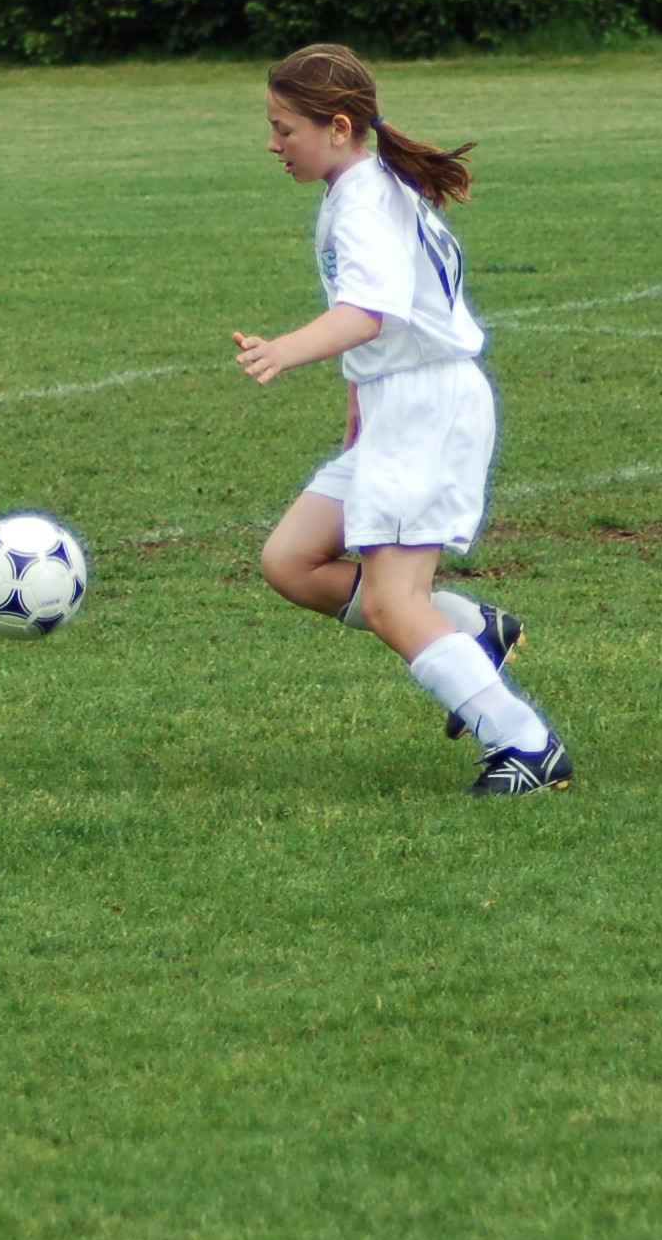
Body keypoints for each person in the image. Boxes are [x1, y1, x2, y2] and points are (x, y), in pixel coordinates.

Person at [233, 43, 573, 795]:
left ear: (338, 127)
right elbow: (388, 320)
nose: (273, 144)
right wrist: (359, 399)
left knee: (392, 604)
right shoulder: (365, 183)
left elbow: (369, 313)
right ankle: (470, 630)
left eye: (284, 129)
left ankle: (526, 745)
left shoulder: (363, 200)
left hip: (426, 409)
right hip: (399, 405)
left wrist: (283, 351)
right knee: (291, 560)